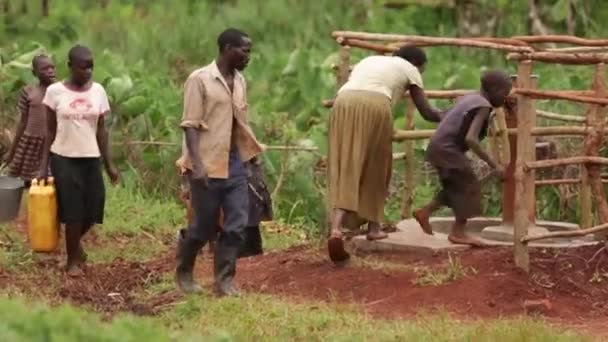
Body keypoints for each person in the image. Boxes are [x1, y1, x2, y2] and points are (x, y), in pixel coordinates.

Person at [327, 46, 445, 263]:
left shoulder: (369, 61)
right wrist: (452, 116)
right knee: (377, 166)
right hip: (376, 104)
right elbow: (427, 112)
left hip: (342, 102)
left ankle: (336, 229)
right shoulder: (410, 69)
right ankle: (373, 227)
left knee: (345, 163)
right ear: (417, 64)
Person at [174, 28, 263, 296]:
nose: (248, 56)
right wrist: (197, 165)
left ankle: (224, 281)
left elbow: (240, 123)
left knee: (237, 224)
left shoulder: (240, 81)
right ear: (226, 49)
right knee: (203, 227)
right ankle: (184, 272)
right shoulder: (199, 80)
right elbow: (190, 125)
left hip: (234, 162)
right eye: (244, 51)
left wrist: (250, 155)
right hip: (206, 164)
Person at [39, 45, 120, 276]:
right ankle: (72, 261)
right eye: (83, 66)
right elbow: (49, 131)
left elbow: (102, 131)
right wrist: (43, 165)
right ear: (70, 66)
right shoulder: (55, 92)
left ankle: (74, 246)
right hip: (63, 157)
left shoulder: (99, 91)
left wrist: (109, 164)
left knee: (94, 208)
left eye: (91, 66)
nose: (88, 71)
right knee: (73, 210)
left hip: (90, 158)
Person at [413, 70, 511, 246]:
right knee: (469, 187)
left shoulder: (470, 98)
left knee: (456, 187)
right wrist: (493, 164)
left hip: (438, 148)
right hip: (448, 151)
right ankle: (458, 233)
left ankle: (425, 212)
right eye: (504, 93)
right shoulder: (483, 106)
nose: (505, 98)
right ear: (494, 90)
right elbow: (471, 139)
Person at [5, 55, 56, 185]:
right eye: (45, 69)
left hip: (52, 144)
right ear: (35, 73)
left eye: (52, 67)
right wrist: (12, 151)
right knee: (25, 182)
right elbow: (22, 123)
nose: (50, 71)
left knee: (50, 182)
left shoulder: (60, 92)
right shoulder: (29, 91)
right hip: (30, 144)